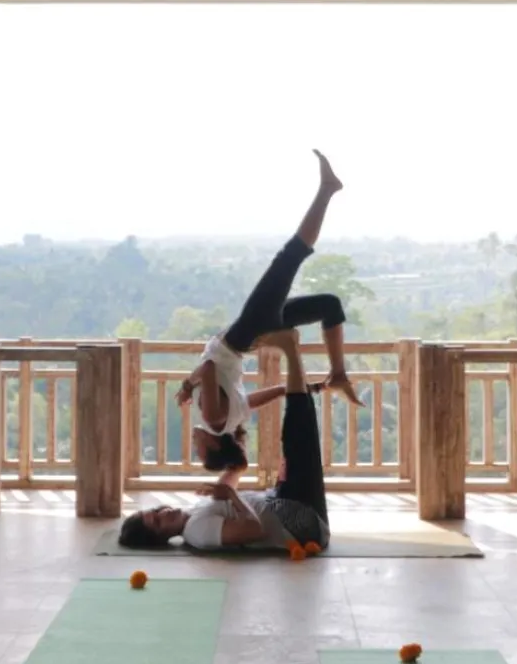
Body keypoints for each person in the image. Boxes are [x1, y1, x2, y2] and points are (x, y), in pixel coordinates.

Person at [175, 151, 361, 474]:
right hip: (246, 332)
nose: (195, 445)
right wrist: (188, 385)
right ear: (216, 445)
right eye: (199, 451)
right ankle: (328, 189)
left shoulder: (231, 420)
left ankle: (339, 373)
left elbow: (266, 396)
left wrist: (316, 388)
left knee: (330, 304)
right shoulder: (214, 419)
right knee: (290, 256)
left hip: (252, 338)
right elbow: (207, 367)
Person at [118, 328, 331, 551]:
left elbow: (230, 486)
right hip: (302, 521)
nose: (164, 513)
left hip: (285, 502)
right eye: (159, 521)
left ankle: (290, 345)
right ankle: (289, 346)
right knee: (298, 429)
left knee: (296, 428)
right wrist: (230, 494)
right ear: (162, 539)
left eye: (156, 511)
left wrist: (231, 474)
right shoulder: (197, 532)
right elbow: (254, 530)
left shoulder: (194, 515)